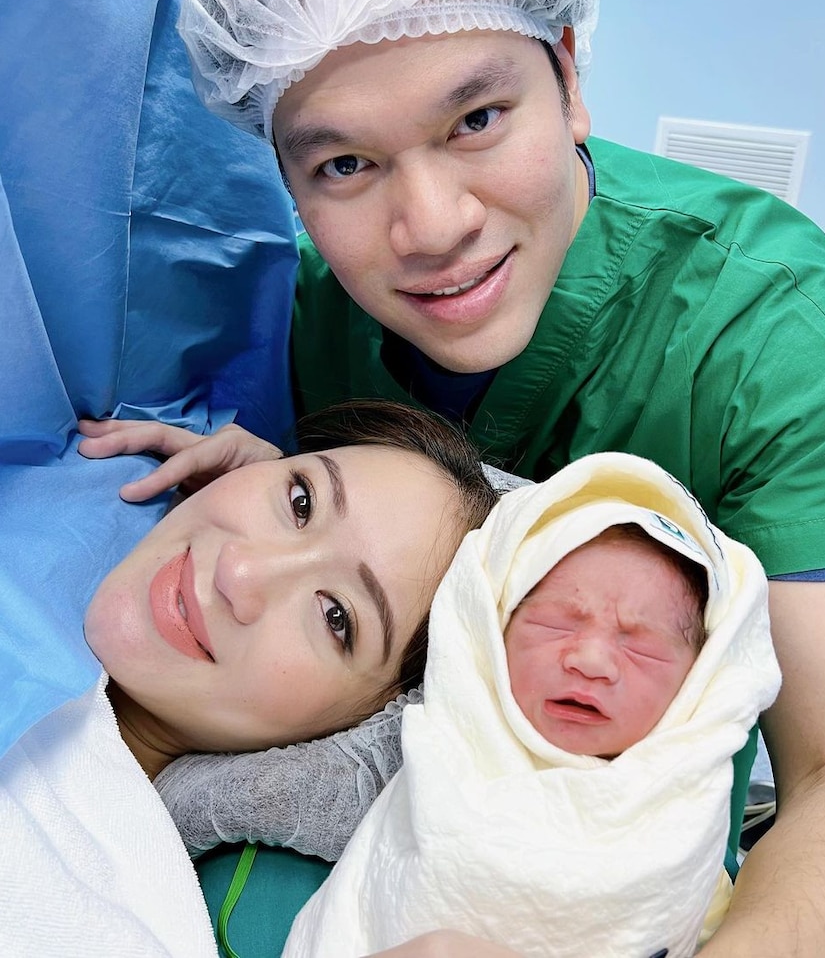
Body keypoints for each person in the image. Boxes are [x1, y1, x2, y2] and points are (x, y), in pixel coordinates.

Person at [80, 0, 825, 955]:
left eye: (477, 119)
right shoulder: (302, 304)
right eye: (343, 163)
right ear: (286, 173)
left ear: (569, 72)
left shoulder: (763, 334)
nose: (432, 229)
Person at [1, 399, 498, 956]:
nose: (241, 571)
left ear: (352, 735)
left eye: (336, 617)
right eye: (301, 500)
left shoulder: (117, 922)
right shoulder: (73, 444)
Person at [284, 452, 781, 958]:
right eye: (556, 624)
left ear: (699, 680)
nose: (590, 660)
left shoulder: (687, 837)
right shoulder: (433, 755)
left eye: (640, 646)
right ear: (489, 630)